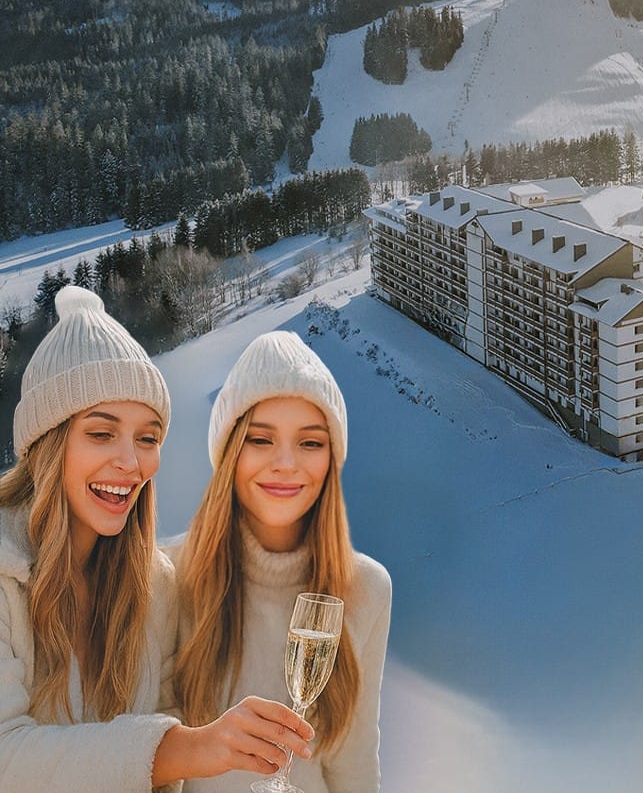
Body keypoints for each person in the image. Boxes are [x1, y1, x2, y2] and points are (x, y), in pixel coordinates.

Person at [0, 286, 313, 792]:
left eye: (147, 438)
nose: (131, 462)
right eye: (101, 434)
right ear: (47, 446)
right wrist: (185, 747)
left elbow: (164, 747)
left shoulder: (151, 584)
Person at [170, 330, 392, 793]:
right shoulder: (168, 576)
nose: (286, 463)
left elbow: (354, 764)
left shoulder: (366, 588)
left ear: (332, 458)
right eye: (260, 440)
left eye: (310, 443)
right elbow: (150, 761)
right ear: (229, 453)